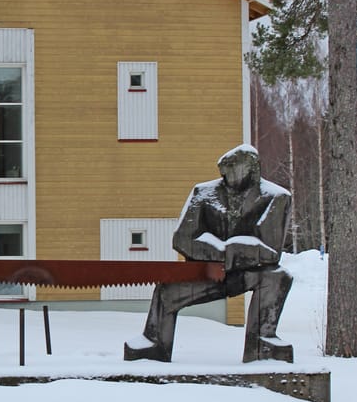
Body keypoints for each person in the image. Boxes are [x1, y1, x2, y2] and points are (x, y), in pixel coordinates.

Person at [124, 143, 294, 363]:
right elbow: (182, 239)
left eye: (232, 168)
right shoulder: (203, 193)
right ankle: (153, 343)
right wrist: (220, 252)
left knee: (278, 277)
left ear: (252, 168)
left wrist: (233, 254)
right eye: (223, 169)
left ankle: (263, 341)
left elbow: (270, 251)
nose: (225, 174)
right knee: (166, 289)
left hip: (250, 274)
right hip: (207, 271)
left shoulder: (275, 197)